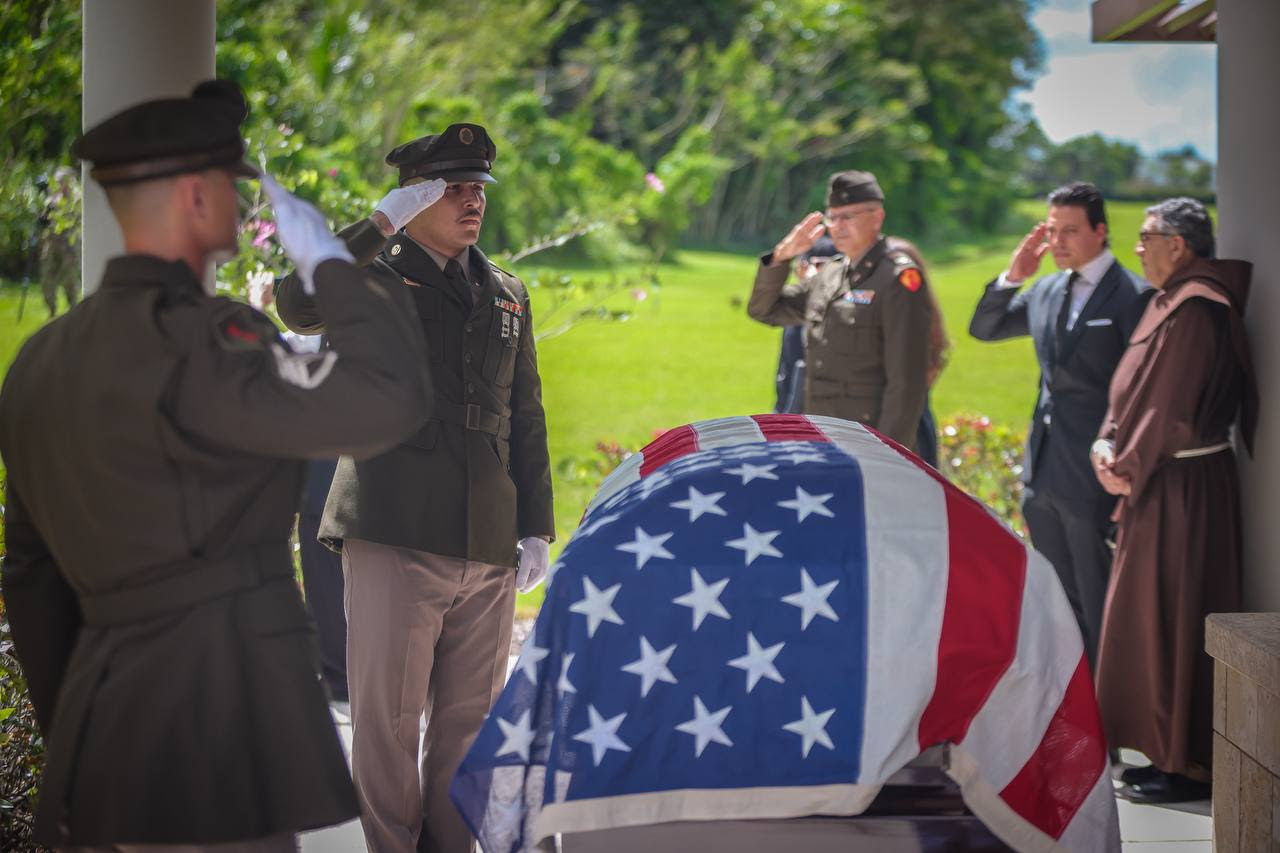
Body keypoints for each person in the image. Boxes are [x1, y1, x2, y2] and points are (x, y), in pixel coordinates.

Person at [0, 80, 434, 850]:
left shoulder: (37, 362)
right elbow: (389, 399)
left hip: (100, 727)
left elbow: (31, 577)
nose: (246, 204)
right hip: (219, 718)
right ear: (196, 196)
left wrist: (80, 727)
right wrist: (334, 264)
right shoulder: (212, 341)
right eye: (233, 186)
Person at [275, 122, 555, 853]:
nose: (473, 201)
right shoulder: (372, 275)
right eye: (453, 188)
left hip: (487, 539)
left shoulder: (507, 292)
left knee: (469, 727)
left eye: (478, 189)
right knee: (389, 727)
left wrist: (537, 526)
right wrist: (380, 221)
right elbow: (296, 302)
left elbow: (525, 415)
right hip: (396, 526)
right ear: (414, 196)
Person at [1090, 198, 1257, 804]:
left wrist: (1125, 464)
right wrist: (1106, 443)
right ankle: (1162, 751)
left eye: (1145, 237)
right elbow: (1130, 392)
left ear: (1179, 245)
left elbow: (1172, 408)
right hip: (1155, 483)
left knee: (1176, 616)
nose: (1138, 248)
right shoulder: (1169, 303)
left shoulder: (1197, 310)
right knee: (1147, 619)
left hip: (1184, 490)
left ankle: (1185, 763)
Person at [968, 182, 1148, 670]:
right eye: (1051, 230)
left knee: (1097, 599)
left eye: (1070, 231)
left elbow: (1141, 390)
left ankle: (1109, 714)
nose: (1058, 241)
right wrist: (1013, 276)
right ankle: (1070, 708)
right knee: (1057, 603)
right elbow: (984, 328)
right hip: (1042, 472)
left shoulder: (1133, 296)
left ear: (1101, 231)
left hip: (1093, 476)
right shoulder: (1045, 289)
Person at [748, 170, 933, 451]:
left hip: (868, 440)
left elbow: (906, 382)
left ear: (877, 217)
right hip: (822, 435)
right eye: (832, 218)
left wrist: (888, 453)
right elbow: (765, 310)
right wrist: (780, 258)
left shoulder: (897, 278)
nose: (838, 226)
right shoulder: (831, 274)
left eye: (849, 217)